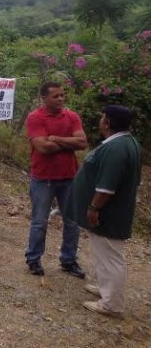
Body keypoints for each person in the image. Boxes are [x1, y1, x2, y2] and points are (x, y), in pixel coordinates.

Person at [66, 105, 141, 318]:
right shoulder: (127, 142)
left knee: (110, 256)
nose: (100, 120)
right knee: (103, 254)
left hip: (108, 213)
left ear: (107, 122)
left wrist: (94, 207)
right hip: (111, 210)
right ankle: (105, 288)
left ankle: (112, 304)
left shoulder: (116, 148)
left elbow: (107, 187)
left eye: (102, 117)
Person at [24, 81, 88, 277]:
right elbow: (43, 148)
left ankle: (69, 261)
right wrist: (69, 143)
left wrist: (55, 139)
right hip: (43, 178)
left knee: (72, 222)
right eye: (56, 96)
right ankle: (33, 259)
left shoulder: (71, 116)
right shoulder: (35, 118)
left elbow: (83, 142)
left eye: (62, 95)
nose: (61, 98)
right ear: (44, 98)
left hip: (69, 177)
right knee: (39, 222)